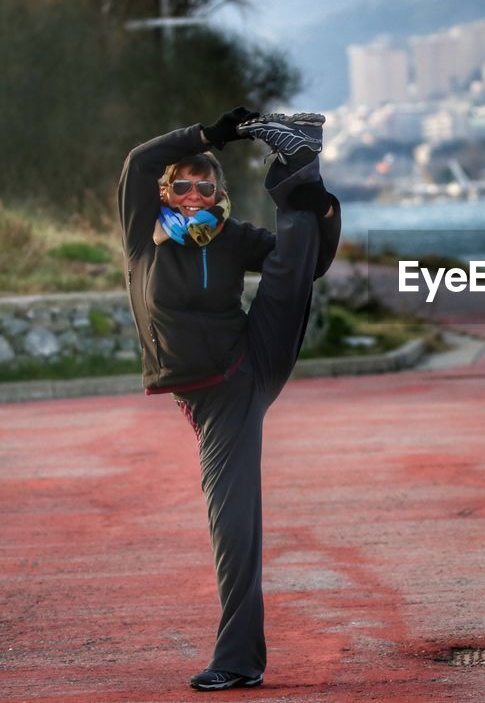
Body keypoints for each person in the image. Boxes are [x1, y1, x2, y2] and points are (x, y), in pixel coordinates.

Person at [118, 107, 342, 692]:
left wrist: (319, 210)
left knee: (232, 522)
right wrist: (212, 134)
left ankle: (239, 659)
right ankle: (301, 160)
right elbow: (138, 160)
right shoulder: (144, 232)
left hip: (240, 376)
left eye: (207, 183)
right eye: (184, 183)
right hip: (202, 387)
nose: (195, 193)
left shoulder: (230, 236)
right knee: (232, 521)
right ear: (166, 190)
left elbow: (308, 265)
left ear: (220, 190)